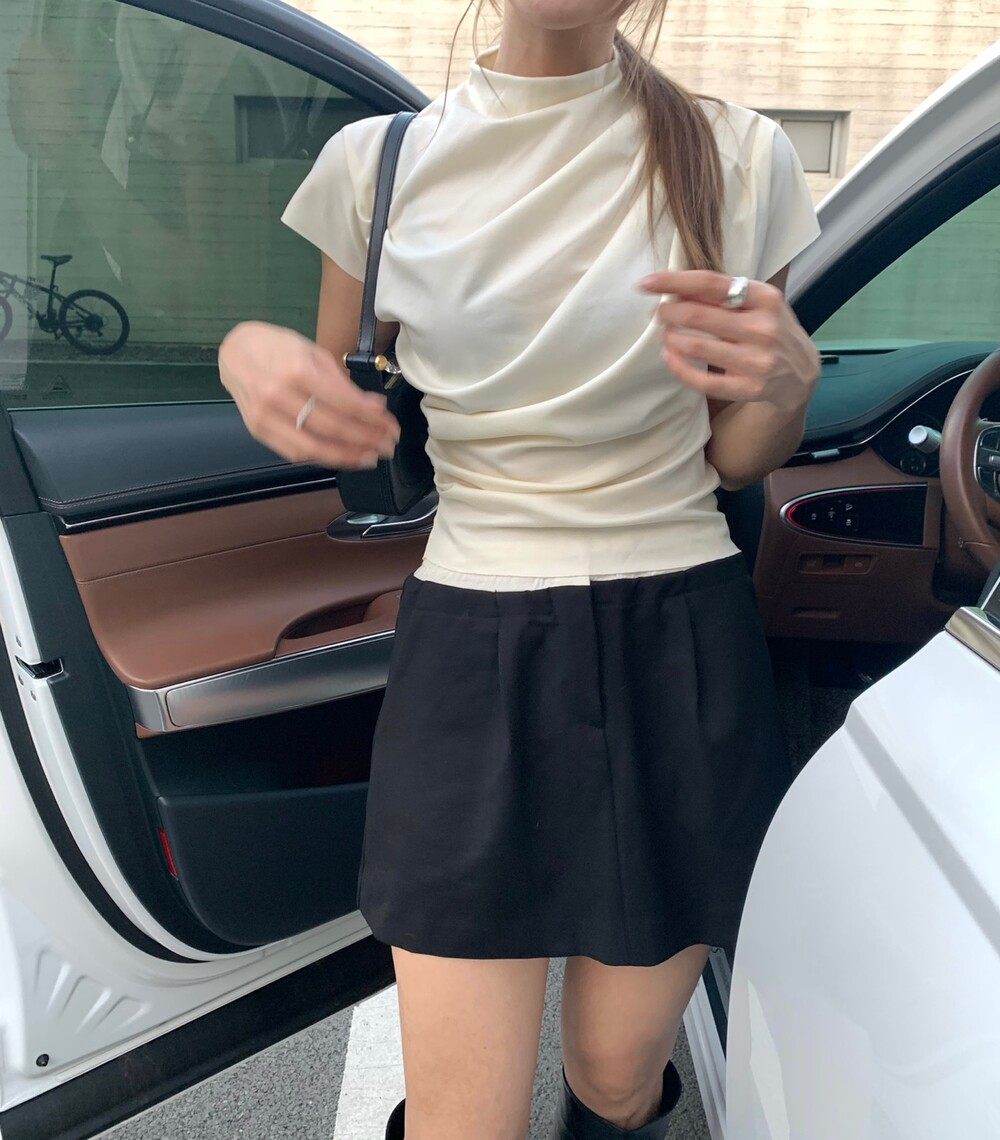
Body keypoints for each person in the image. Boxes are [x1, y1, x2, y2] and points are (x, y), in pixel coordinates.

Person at [218, 1, 822, 1137]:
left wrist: (787, 386)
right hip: (469, 639)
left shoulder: (742, 155)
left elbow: (735, 455)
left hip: (677, 638)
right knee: (465, 1123)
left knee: (615, 1076)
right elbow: (333, 399)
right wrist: (245, 357)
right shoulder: (376, 165)